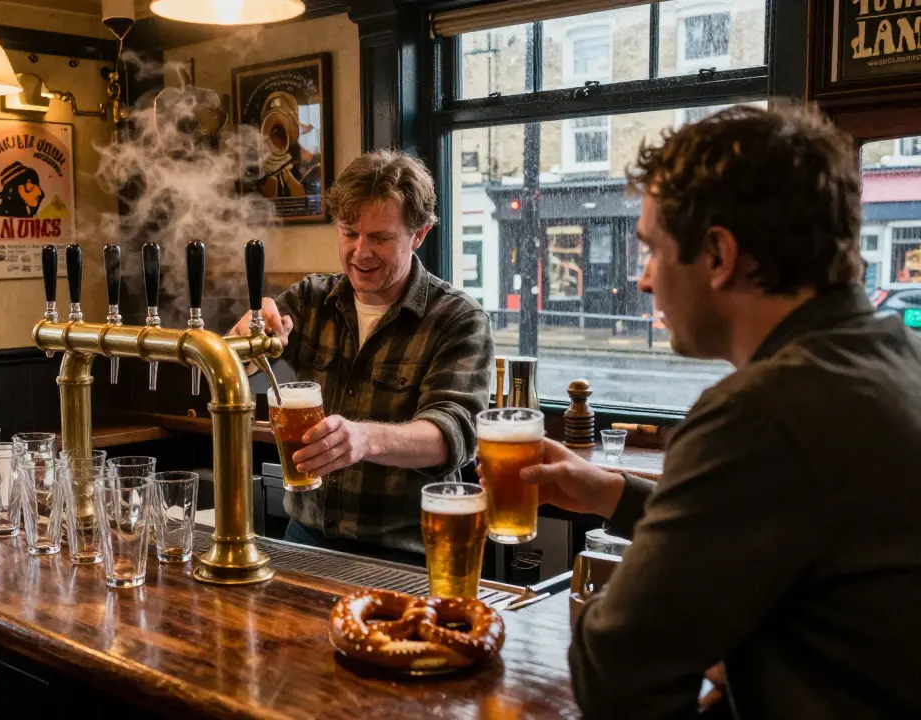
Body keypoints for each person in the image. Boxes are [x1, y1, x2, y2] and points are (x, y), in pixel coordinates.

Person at [481, 104, 921, 717]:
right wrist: (613, 493)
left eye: (652, 250)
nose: (643, 280)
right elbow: (774, 523)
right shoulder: (894, 354)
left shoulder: (761, 412)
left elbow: (618, 666)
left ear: (719, 255)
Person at [231, 150, 495, 561]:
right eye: (350, 232)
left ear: (418, 235)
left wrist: (363, 439)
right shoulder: (310, 299)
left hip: (405, 554)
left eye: (380, 238)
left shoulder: (457, 318)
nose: (360, 252)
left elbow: (455, 434)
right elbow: (256, 381)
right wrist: (248, 345)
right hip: (304, 537)